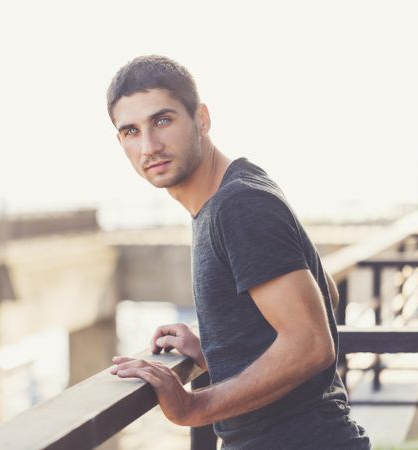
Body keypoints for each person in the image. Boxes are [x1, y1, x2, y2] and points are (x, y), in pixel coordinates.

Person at [106, 55, 370, 449]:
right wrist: (218, 349)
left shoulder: (239, 204)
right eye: (131, 130)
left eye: (163, 120)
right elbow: (324, 293)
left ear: (202, 118)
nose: (149, 146)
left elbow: (312, 343)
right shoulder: (234, 190)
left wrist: (193, 406)